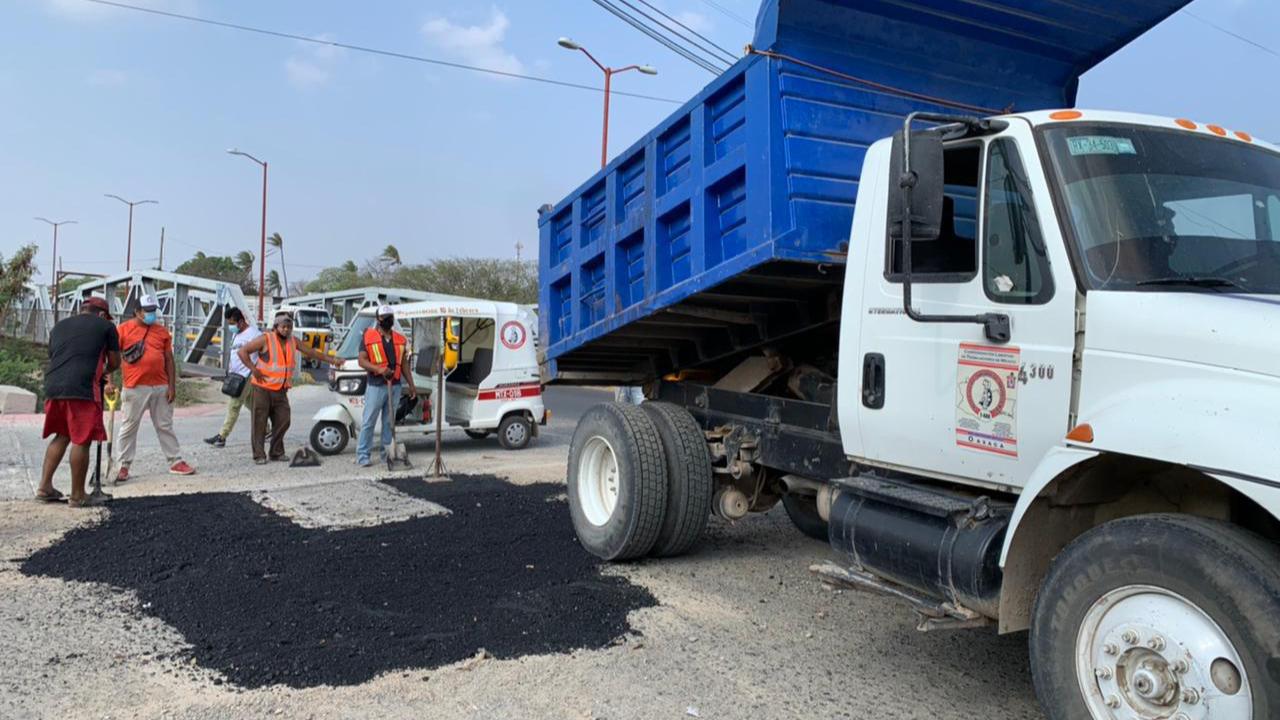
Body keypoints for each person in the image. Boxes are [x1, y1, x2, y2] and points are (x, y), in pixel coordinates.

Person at [37, 297, 120, 507]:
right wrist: (102, 373)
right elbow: (115, 362)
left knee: (62, 435)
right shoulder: (107, 326)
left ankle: (45, 487)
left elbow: (55, 355)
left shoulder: (59, 327)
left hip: (54, 387)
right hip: (81, 388)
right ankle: (78, 495)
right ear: (101, 314)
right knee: (82, 440)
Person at [238, 311, 342, 464]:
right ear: (276, 327)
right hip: (262, 389)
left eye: (289, 327)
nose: (286, 330)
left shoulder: (293, 341)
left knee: (284, 420)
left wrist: (332, 359)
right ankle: (259, 455)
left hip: (281, 390)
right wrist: (253, 369)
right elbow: (243, 352)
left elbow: (312, 352)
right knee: (259, 423)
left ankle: (276, 452)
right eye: (283, 327)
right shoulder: (265, 339)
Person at [115, 294, 196, 481]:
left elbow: (168, 359)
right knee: (129, 427)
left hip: (160, 386)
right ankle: (123, 465)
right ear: (137, 312)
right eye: (147, 311)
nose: (151, 314)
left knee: (165, 425)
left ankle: (175, 461)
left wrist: (171, 386)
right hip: (135, 387)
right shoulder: (123, 330)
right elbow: (112, 356)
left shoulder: (162, 332)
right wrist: (110, 382)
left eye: (153, 311)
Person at [355, 305, 418, 467]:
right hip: (376, 385)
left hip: (395, 385)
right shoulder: (368, 337)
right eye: (385, 317)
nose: (388, 320)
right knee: (369, 421)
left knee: (389, 422)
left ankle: (387, 455)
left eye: (390, 316)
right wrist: (379, 369)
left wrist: (411, 385)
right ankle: (363, 455)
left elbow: (404, 365)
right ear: (378, 320)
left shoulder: (400, 339)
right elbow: (361, 361)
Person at [204, 306, 260, 448]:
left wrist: (256, 370)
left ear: (241, 321)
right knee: (254, 405)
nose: (231, 326)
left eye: (233, 323)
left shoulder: (254, 334)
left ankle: (222, 437)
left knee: (234, 406)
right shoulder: (237, 335)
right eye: (229, 323)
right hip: (236, 375)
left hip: (246, 376)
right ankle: (268, 429)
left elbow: (263, 352)